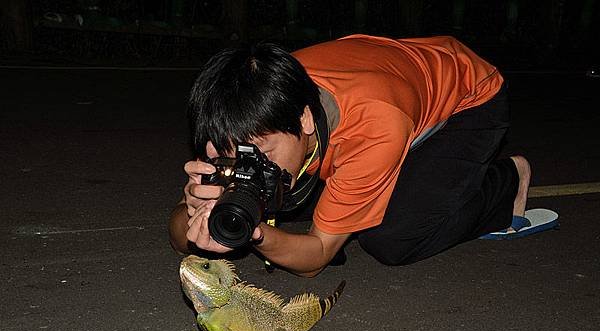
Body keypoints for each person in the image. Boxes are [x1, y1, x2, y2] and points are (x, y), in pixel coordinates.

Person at [168, 34, 549, 278]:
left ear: (304, 119)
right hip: (396, 78)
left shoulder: (372, 129)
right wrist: (192, 209)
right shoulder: (258, 113)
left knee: (392, 239)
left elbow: (316, 256)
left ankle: (506, 181)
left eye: (263, 152)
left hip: (468, 98)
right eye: (234, 155)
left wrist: (256, 233)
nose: (249, 162)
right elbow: (179, 237)